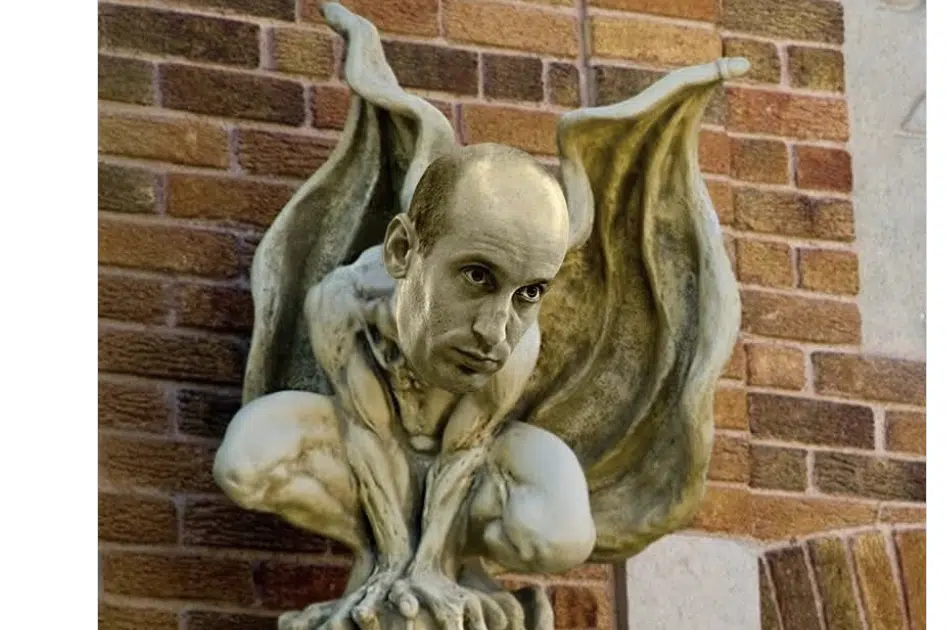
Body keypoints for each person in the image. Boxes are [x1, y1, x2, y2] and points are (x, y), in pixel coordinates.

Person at [213, 144, 596, 630]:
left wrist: (431, 570)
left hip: (475, 468)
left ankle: (457, 571)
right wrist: (391, 567)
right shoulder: (343, 303)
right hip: (366, 454)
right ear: (402, 250)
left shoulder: (515, 343)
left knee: (562, 535)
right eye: (477, 276)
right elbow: (366, 432)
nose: (494, 330)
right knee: (245, 462)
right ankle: (381, 564)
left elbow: (465, 449)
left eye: (530, 292)